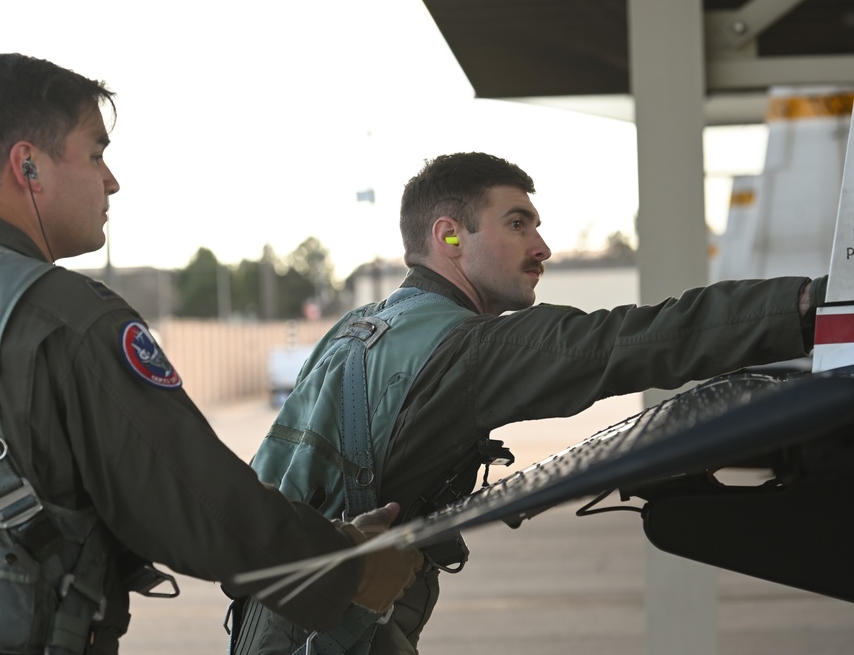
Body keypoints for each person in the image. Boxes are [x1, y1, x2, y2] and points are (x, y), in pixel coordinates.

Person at [0, 52, 420, 655]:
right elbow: (203, 506)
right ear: (29, 166)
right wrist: (350, 568)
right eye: (96, 153)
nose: (112, 179)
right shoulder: (64, 315)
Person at [237, 151, 826, 654]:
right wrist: (810, 310)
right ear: (448, 236)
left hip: (275, 610)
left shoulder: (363, 325)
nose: (542, 247)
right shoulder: (462, 350)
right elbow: (625, 342)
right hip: (326, 624)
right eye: (517, 224)